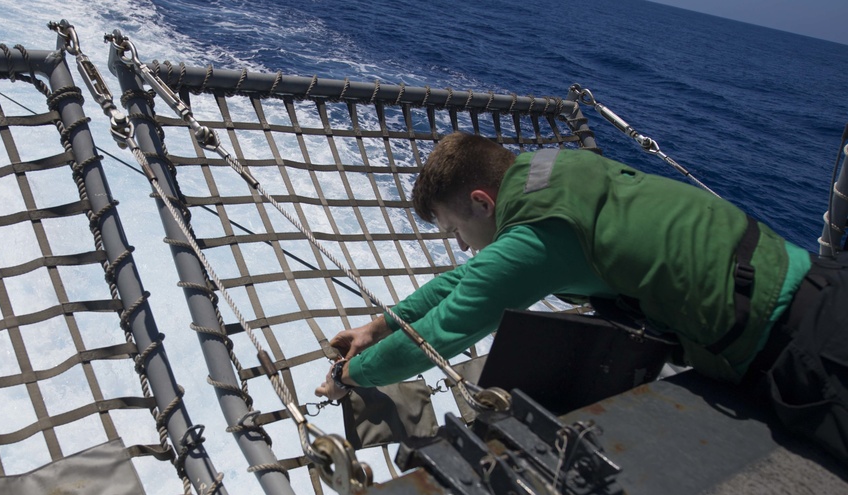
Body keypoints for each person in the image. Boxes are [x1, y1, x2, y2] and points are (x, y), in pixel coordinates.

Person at [315, 131, 848, 464]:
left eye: (455, 228)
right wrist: (379, 327)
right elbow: (466, 281)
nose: (460, 246)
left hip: (806, 350)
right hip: (815, 280)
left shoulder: (538, 237)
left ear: (481, 202)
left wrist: (347, 377)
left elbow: (441, 332)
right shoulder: (553, 172)